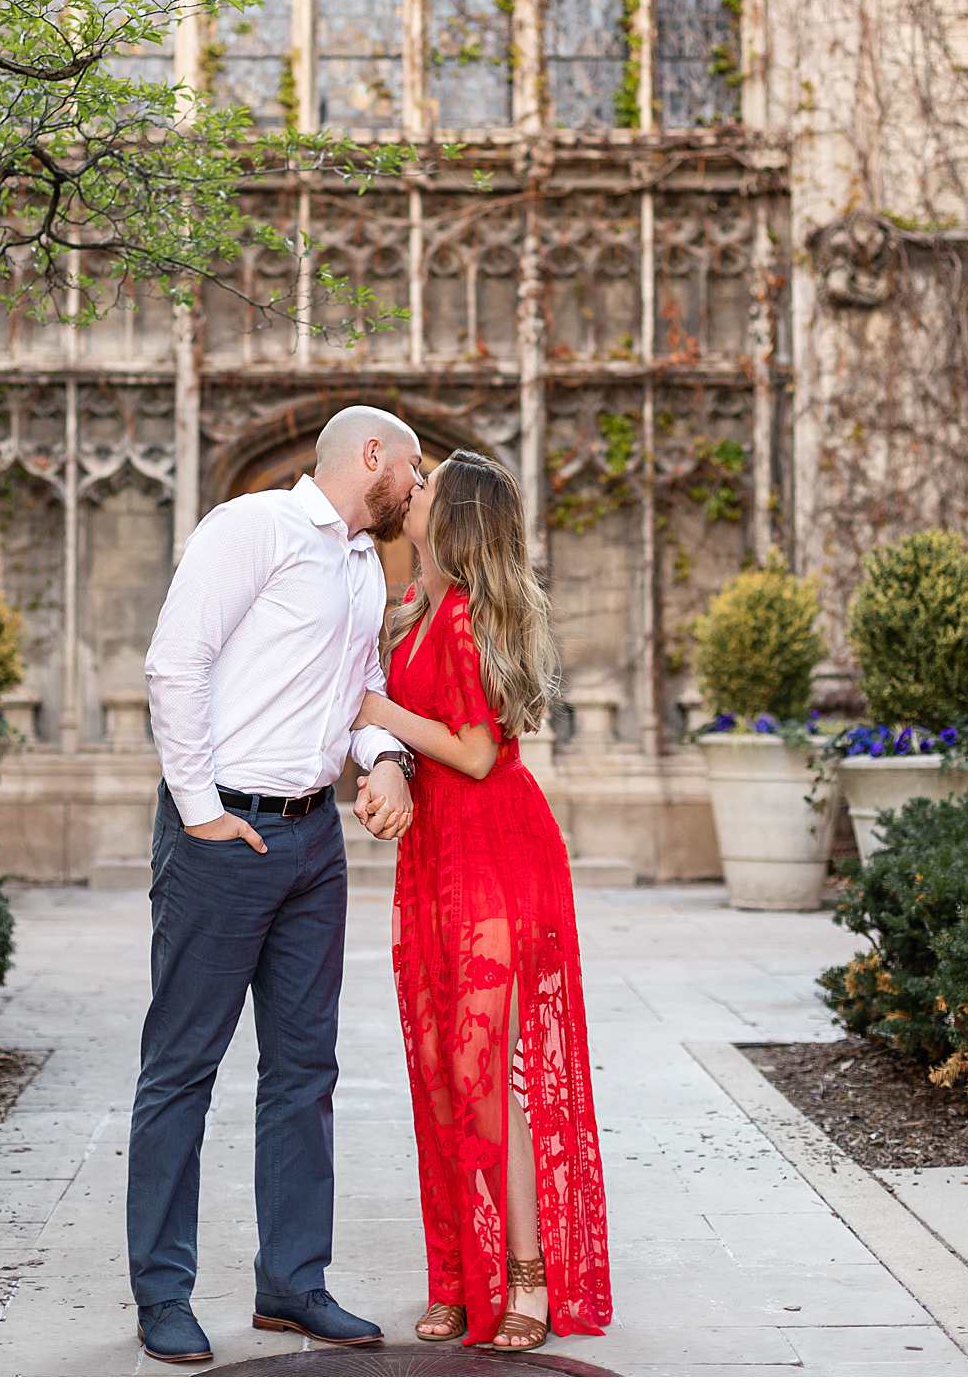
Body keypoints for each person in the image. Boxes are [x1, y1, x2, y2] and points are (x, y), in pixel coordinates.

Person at [126, 405, 422, 1365]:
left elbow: (359, 685)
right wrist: (204, 809)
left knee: (305, 1071)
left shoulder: (362, 566)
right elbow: (175, 664)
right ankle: (163, 1293)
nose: (415, 491)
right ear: (370, 456)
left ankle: (293, 1285)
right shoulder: (251, 528)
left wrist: (383, 762)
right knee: (182, 1068)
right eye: (411, 472)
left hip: (314, 840)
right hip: (226, 836)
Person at [351, 447, 612, 1352]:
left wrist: (381, 718)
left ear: (452, 517)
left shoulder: (464, 620)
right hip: (437, 856)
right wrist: (387, 766)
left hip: (494, 854)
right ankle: (460, 1278)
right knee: (437, 1074)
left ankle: (530, 1283)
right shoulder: (418, 613)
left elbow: (472, 751)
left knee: (480, 1076)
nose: (408, 493)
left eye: (422, 488)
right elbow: (428, 753)